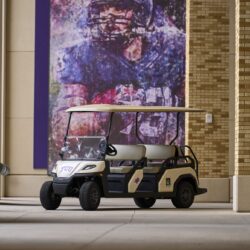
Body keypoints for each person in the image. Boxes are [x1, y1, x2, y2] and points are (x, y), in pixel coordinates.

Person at [50, 0, 185, 162]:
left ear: (140, 12)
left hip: (161, 156)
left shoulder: (170, 48)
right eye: (103, 8)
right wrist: (105, 111)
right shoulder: (82, 55)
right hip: (114, 158)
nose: (108, 15)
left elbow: (189, 105)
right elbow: (64, 129)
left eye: (120, 7)